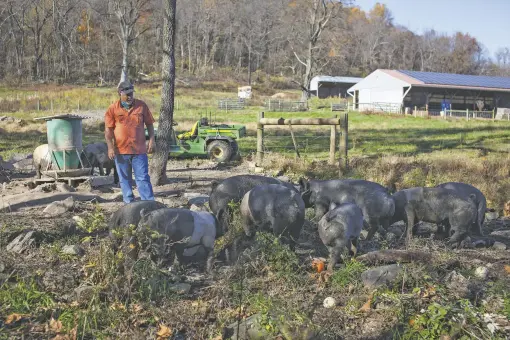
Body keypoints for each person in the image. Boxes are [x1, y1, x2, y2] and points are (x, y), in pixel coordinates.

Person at [104, 80, 156, 204]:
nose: (130, 97)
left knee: (143, 178)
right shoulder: (112, 109)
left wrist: (152, 141)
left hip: (139, 150)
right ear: (120, 94)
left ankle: (149, 203)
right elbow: (108, 131)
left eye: (131, 94)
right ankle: (129, 204)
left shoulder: (141, 106)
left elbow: (149, 124)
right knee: (124, 179)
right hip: (121, 151)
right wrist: (110, 148)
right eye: (127, 94)